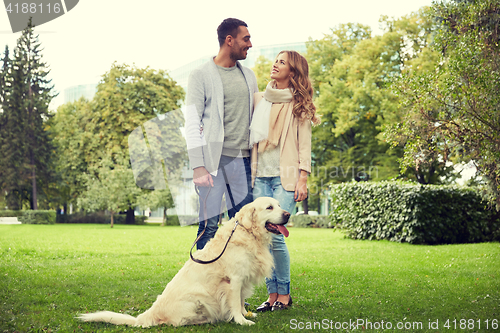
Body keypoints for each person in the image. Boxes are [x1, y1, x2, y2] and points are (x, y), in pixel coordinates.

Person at [250, 50, 320, 311]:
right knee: (263, 238)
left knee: (277, 237)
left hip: (284, 178)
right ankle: (271, 296)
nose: (275, 65)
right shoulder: (259, 99)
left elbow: (305, 145)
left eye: (282, 62)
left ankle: (285, 295)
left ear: (293, 71)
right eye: (275, 60)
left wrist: (303, 178)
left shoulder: (299, 104)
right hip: (260, 177)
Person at [185, 18, 258, 250]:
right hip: (212, 164)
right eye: (246, 39)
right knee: (209, 228)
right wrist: (198, 166)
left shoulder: (249, 76)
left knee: (244, 228)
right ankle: (202, 282)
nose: (250, 44)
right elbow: (192, 121)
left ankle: (233, 281)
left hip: (244, 162)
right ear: (229, 40)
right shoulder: (201, 75)